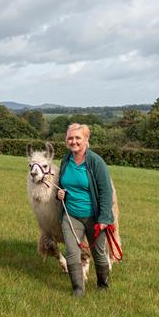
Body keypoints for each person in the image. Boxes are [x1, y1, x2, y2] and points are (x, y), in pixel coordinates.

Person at [55, 123, 115, 296]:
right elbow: (62, 185)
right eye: (70, 138)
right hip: (71, 215)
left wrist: (104, 218)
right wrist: (60, 194)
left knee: (99, 253)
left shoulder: (96, 162)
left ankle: (103, 285)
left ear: (86, 139)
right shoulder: (66, 160)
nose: (73, 141)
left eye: (77, 138)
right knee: (72, 253)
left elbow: (106, 191)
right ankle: (78, 290)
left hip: (94, 217)